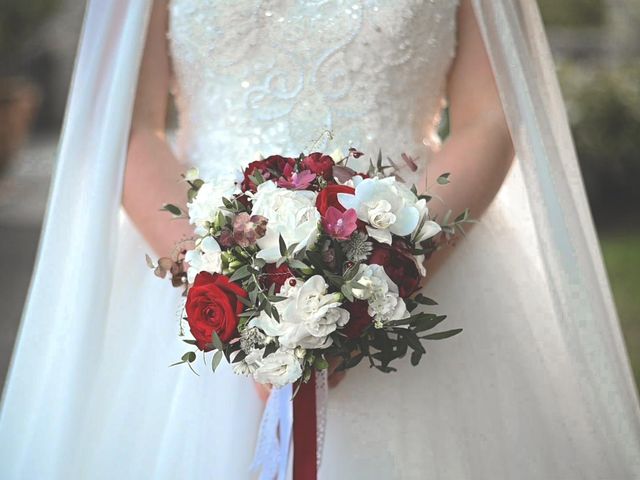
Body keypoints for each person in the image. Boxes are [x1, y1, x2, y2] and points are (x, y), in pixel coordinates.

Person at [1, 1, 639, 478]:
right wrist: (231, 291)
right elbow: (127, 128)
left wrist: (382, 279)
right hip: (196, 264)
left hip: (421, 251)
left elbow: (491, 117)